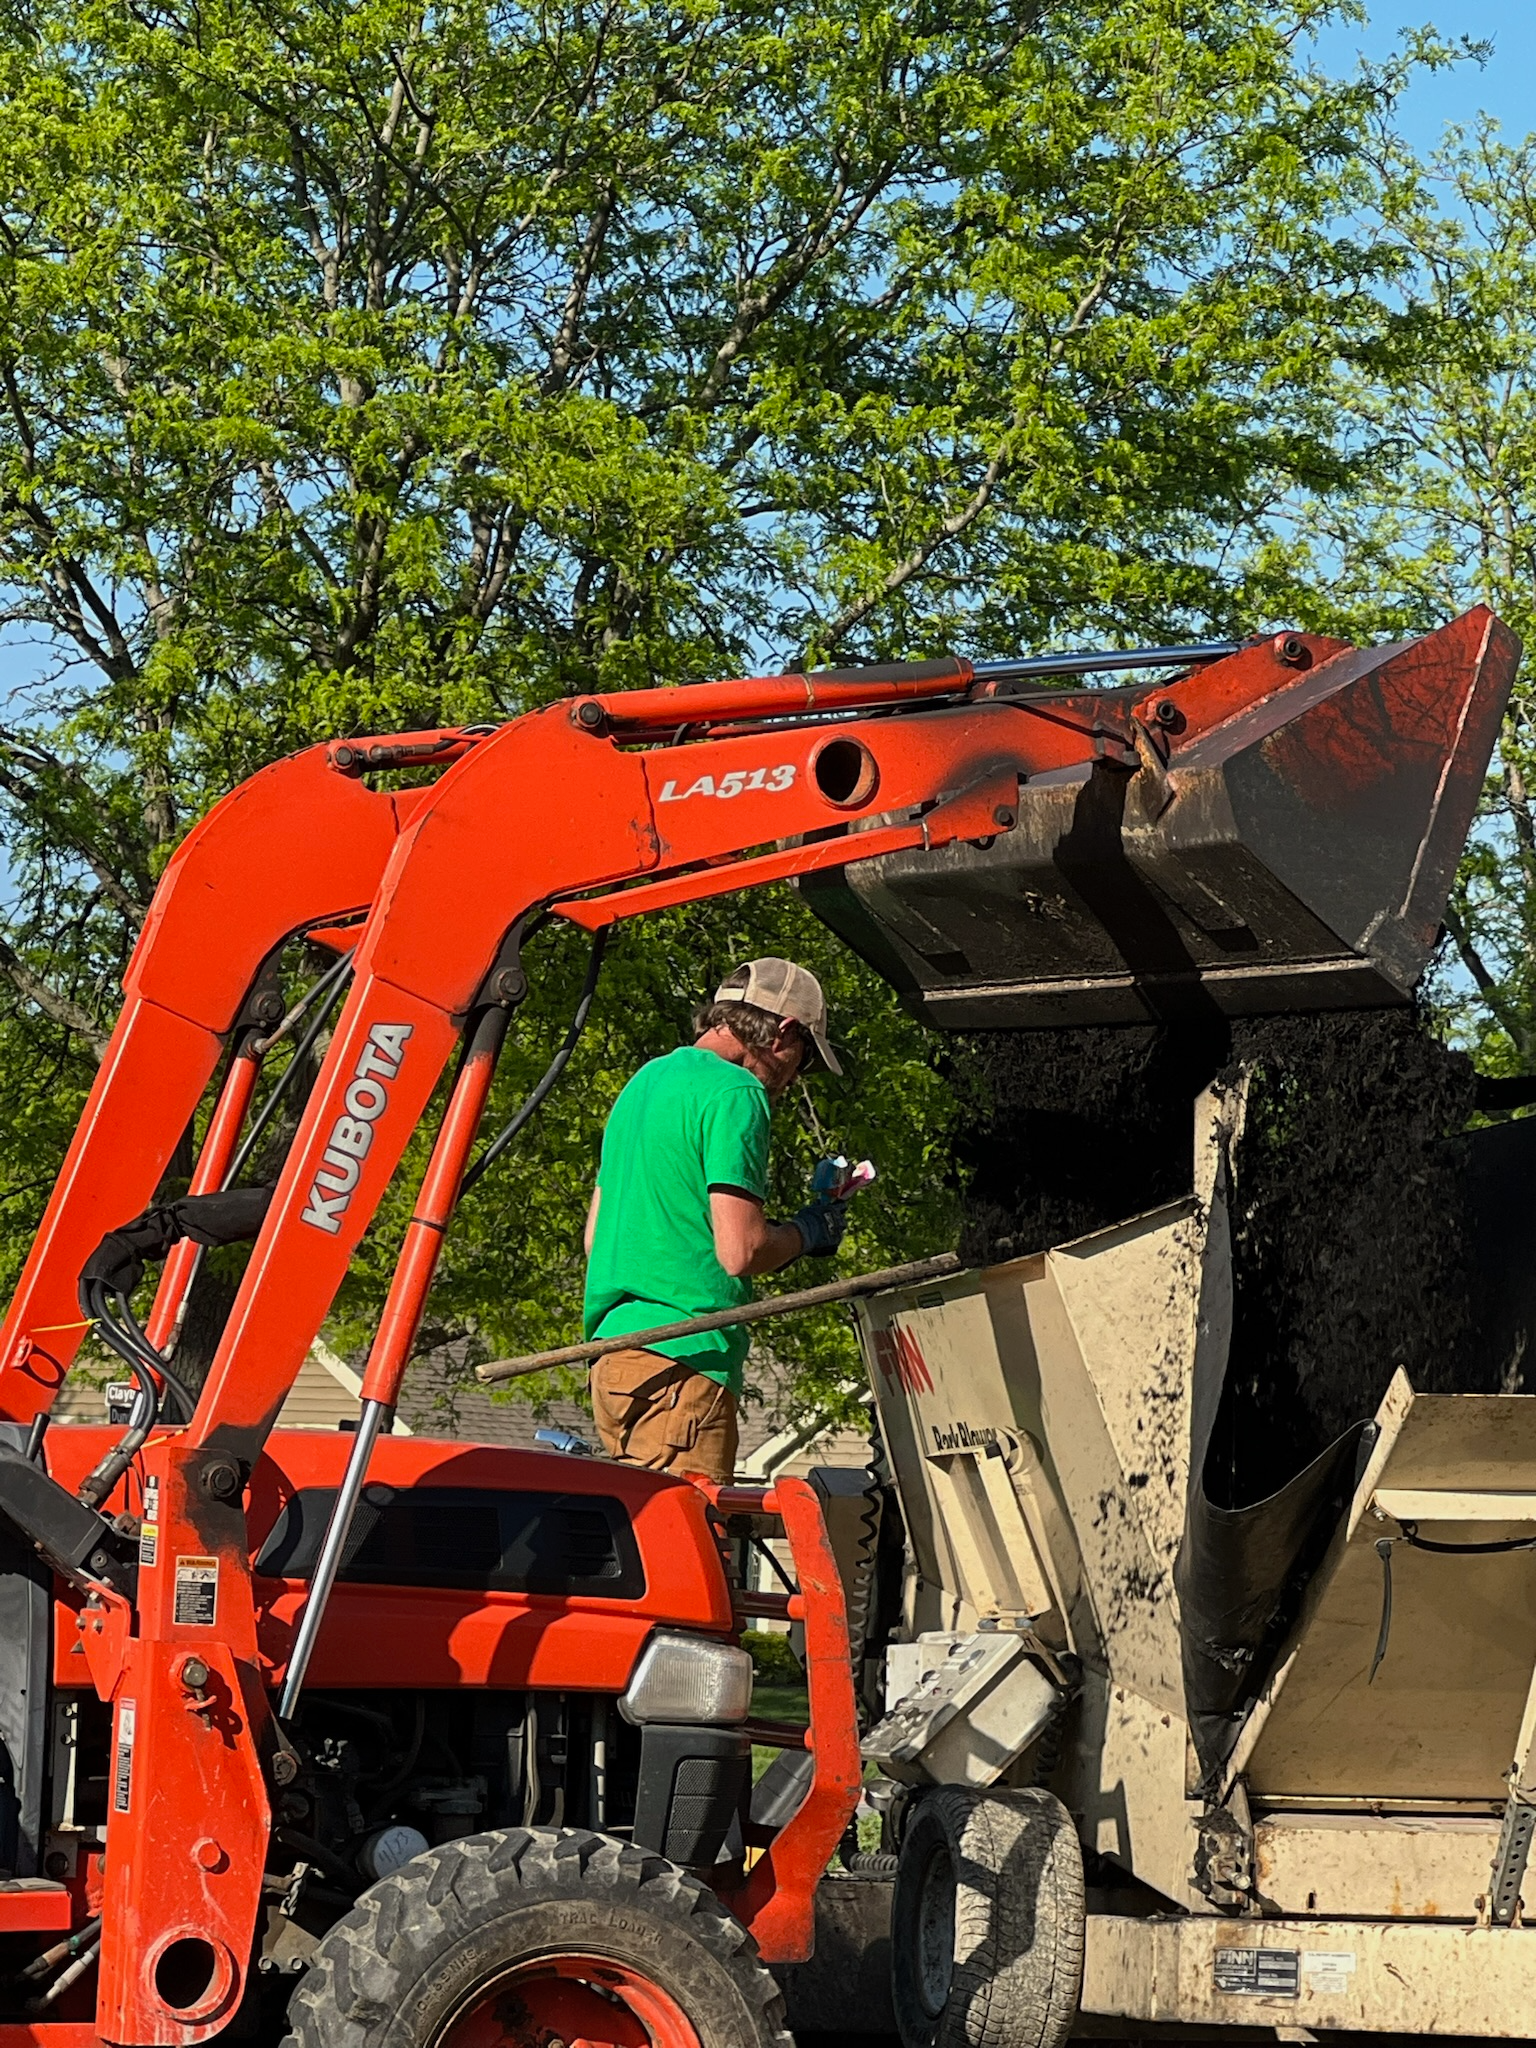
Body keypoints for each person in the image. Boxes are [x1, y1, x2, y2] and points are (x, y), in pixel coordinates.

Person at [582, 958, 849, 1482]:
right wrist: (810, 1231)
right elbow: (741, 1251)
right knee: (691, 1546)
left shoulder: (644, 1082)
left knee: (641, 1539)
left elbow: (596, 1238)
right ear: (784, 1033)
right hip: (684, 1361)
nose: (794, 1079)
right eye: (803, 1060)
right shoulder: (737, 1092)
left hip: (613, 1360)